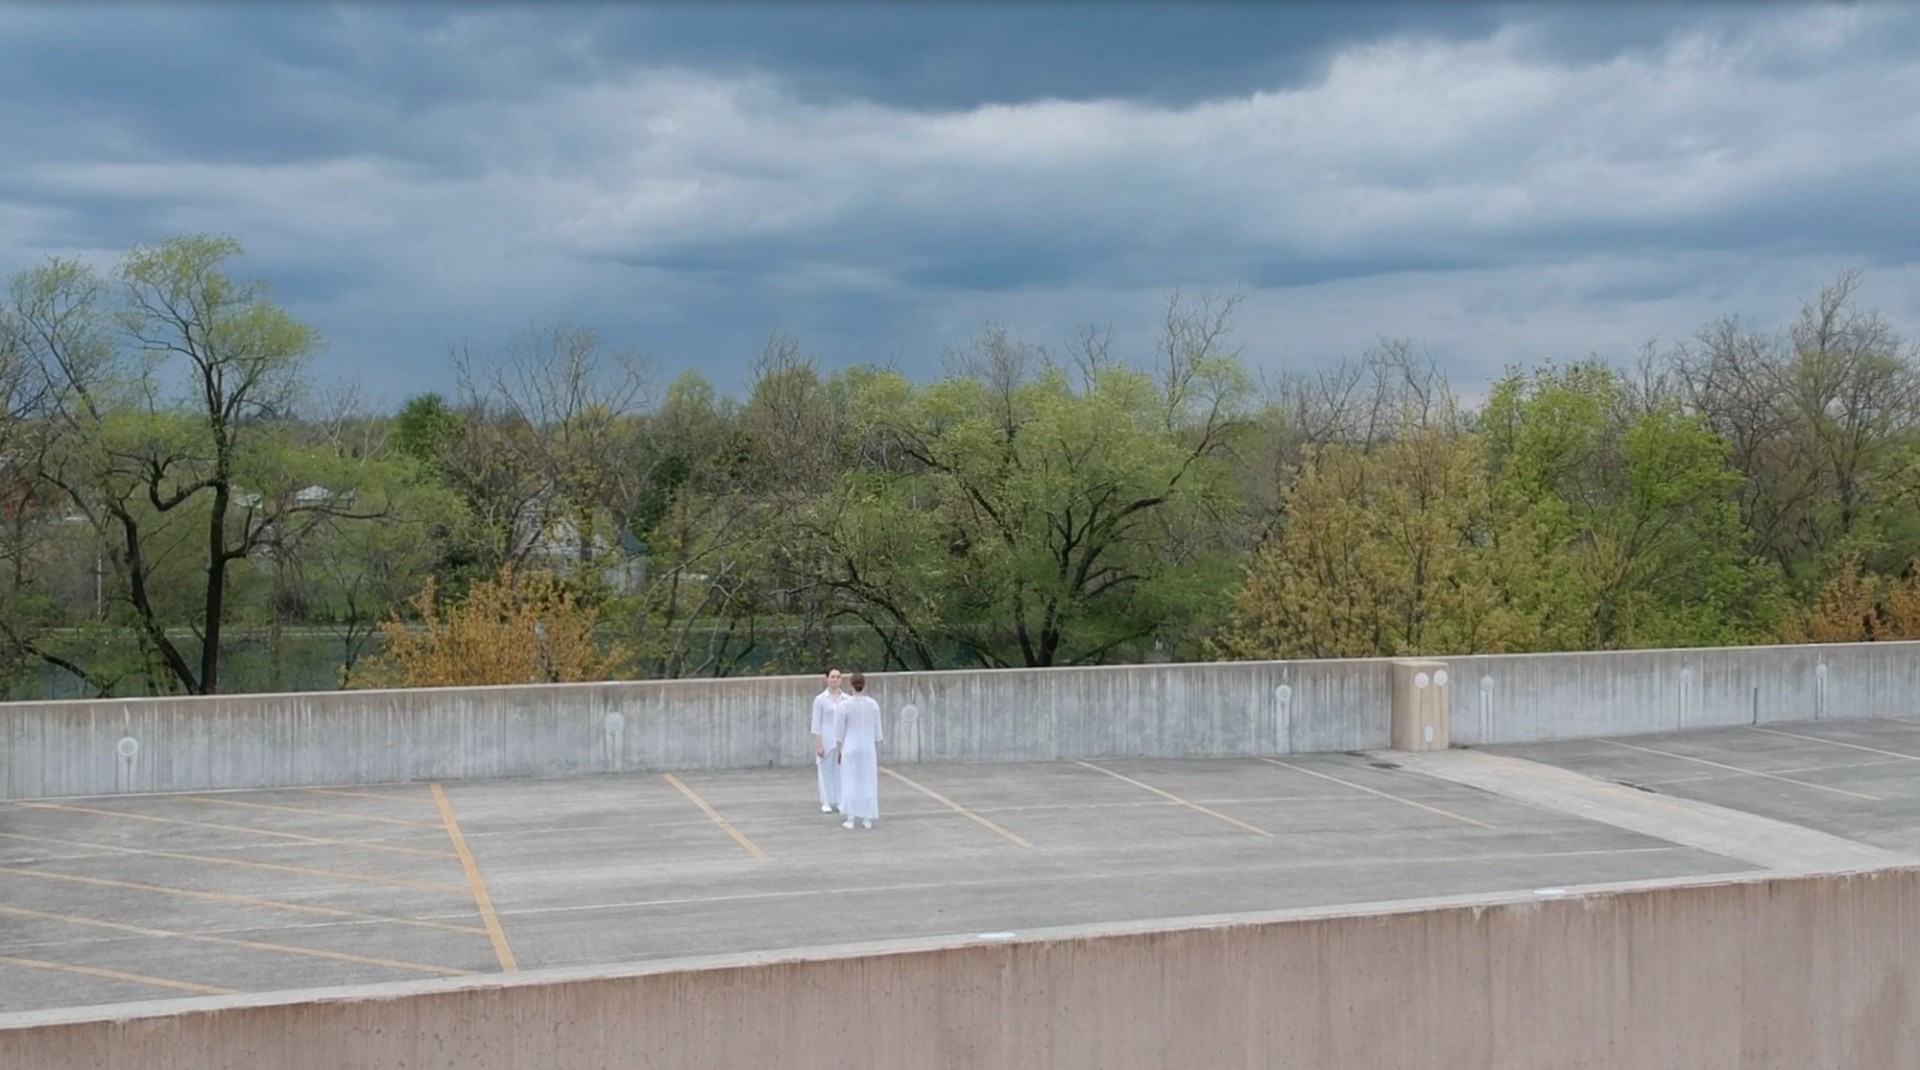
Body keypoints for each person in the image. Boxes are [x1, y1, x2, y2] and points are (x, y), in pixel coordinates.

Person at [835, 671, 884, 829]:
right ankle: (867, 817)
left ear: (851, 685)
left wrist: (838, 750)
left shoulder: (844, 706)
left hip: (850, 747)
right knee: (868, 780)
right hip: (868, 748)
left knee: (849, 780)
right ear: (865, 685)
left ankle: (850, 818)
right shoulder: (873, 705)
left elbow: (839, 733)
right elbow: (878, 733)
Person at [810, 669, 847, 814]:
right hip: (825, 736)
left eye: (838, 677)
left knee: (840, 771)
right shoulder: (820, 699)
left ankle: (839, 800)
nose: (835, 679)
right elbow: (816, 723)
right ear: (827, 679)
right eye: (832, 677)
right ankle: (825, 801)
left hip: (841, 739)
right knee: (825, 770)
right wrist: (818, 743)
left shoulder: (846, 699)